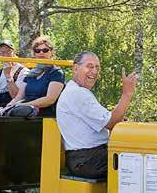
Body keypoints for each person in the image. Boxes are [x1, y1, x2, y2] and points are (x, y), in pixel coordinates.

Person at [56, 51, 138, 179]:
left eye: (97, 67)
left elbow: (108, 120)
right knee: (142, 161)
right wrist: (126, 94)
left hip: (87, 158)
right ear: (76, 68)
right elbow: (111, 123)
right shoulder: (78, 94)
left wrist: (116, 120)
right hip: (87, 159)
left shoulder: (75, 92)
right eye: (89, 66)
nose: (94, 71)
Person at [9, 36, 65, 117]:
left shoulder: (56, 73)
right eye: (37, 51)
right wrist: (9, 106)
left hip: (45, 117)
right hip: (25, 114)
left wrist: (24, 105)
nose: (41, 53)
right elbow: (19, 96)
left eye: (45, 50)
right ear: (34, 54)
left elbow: (49, 99)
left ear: (51, 52)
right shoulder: (31, 74)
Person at [0, 40, 28, 112]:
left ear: (14, 53)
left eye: (8, 52)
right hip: (1, 113)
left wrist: (8, 76)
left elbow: (17, 97)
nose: (6, 55)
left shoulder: (23, 72)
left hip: (17, 113)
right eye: (2, 52)